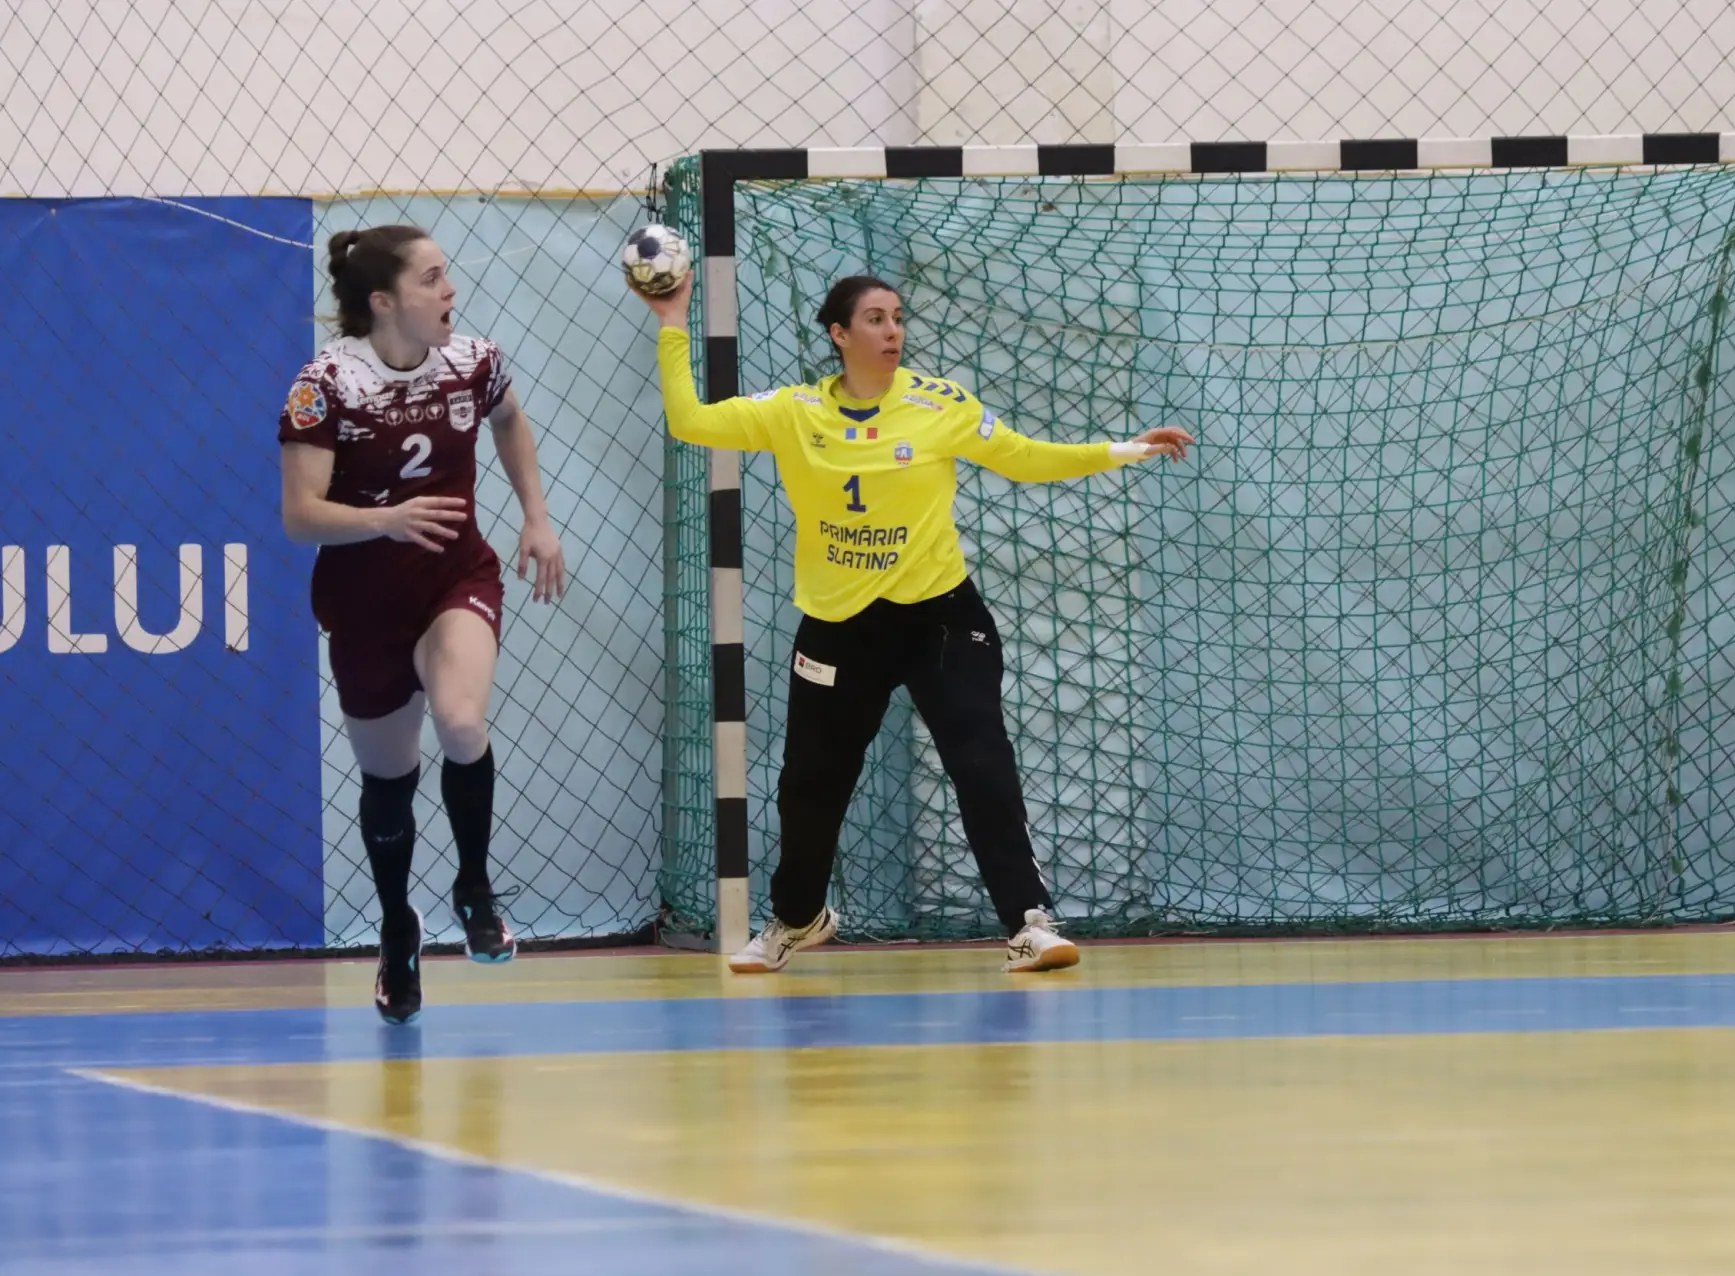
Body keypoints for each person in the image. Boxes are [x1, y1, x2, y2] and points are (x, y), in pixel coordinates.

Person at [638, 270, 1192, 973]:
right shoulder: (792, 411)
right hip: (839, 626)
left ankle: (1029, 924)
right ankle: (797, 919)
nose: (892, 330)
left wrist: (1123, 449)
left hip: (940, 617)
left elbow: (1023, 458)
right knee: (810, 785)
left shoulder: (940, 404)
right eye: (875, 319)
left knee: (981, 759)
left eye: (897, 317)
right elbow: (690, 419)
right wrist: (673, 321)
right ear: (839, 334)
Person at [279, 225, 567, 1024]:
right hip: (365, 601)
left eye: (448, 275)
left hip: (453, 574)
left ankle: (474, 886)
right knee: (388, 777)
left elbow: (508, 419)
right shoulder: (327, 385)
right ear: (384, 301)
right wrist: (387, 518)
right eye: (433, 278)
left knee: (461, 720)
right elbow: (300, 516)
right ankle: (397, 925)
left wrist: (536, 516)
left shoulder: (474, 361)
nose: (450, 291)